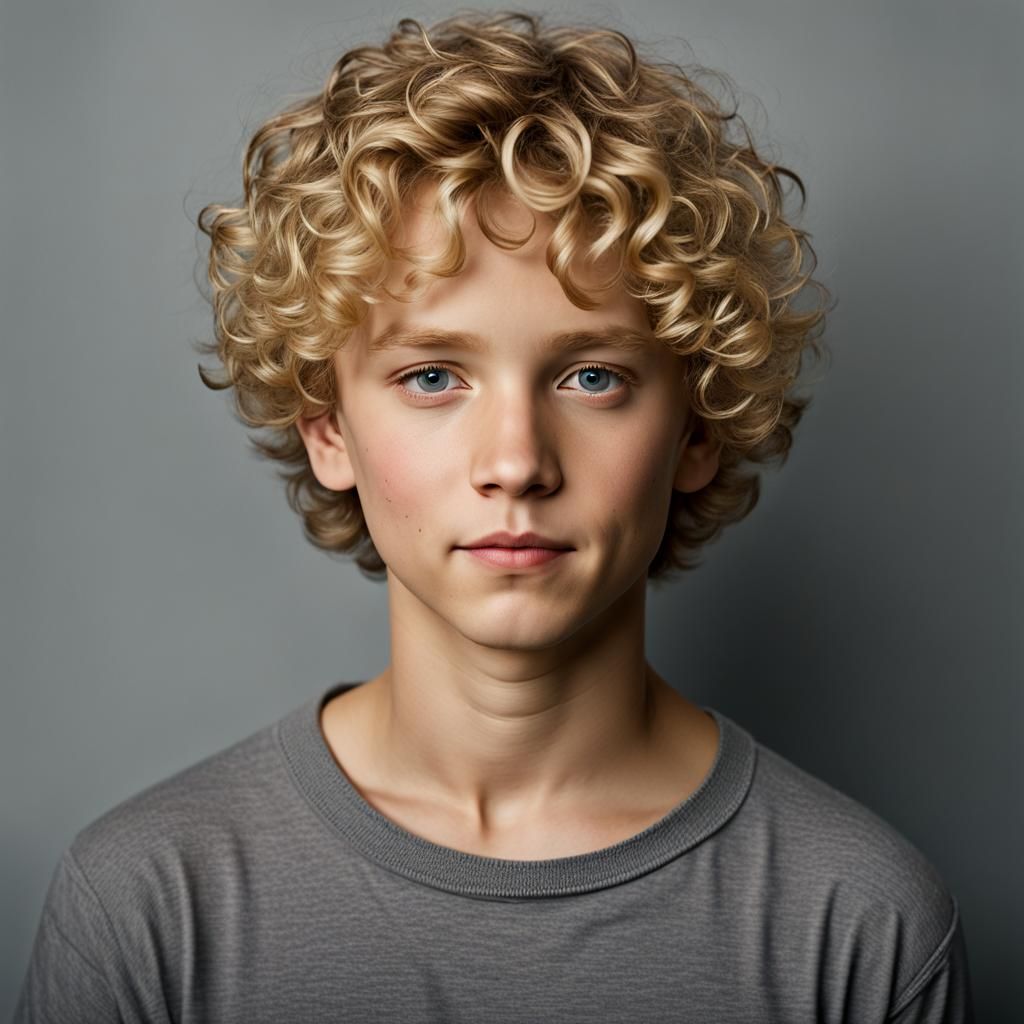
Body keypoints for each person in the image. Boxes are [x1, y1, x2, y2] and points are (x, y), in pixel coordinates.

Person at [14, 9, 974, 1022]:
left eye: (593, 376)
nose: (515, 461)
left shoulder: (859, 925)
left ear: (695, 429)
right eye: (433, 376)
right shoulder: (152, 905)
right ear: (326, 428)